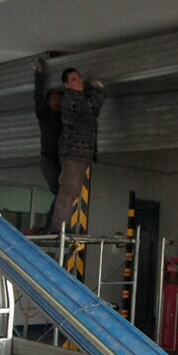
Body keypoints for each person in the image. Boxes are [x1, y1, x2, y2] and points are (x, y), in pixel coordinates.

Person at [49, 68, 106, 232]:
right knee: (69, 190)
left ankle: (60, 227)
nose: (79, 81)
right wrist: (99, 90)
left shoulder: (79, 97)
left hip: (81, 153)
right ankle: (59, 228)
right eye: (73, 79)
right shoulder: (71, 98)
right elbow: (91, 108)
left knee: (72, 190)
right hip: (74, 152)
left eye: (79, 77)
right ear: (66, 85)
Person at [33, 65, 64, 232]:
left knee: (62, 193)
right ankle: (51, 226)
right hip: (48, 158)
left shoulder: (65, 116)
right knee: (60, 192)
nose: (57, 102)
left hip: (61, 158)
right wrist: (39, 73)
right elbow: (37, 96)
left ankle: (52, 225)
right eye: (54, 99)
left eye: (59, 99)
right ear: (49, 101)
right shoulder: (44, 114)